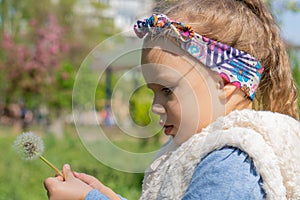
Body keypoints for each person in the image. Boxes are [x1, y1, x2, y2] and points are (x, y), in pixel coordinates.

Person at [44, 0, 300, 199]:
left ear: (222, 84)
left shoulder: (232, 161)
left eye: (167, 90)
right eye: (152, 91)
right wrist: (105, 195)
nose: (156, 106)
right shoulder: (210, 151)